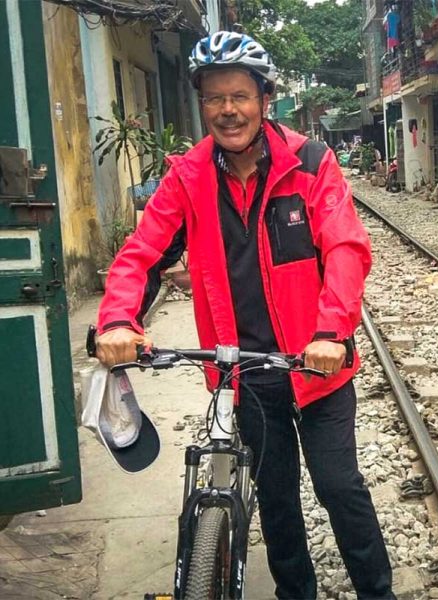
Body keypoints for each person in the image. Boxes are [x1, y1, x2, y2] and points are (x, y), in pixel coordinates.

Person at [93, 31, 395, 600]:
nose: (228, 110)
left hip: (317, 369)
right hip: (247, 374)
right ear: (201, 103)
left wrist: (331, 332)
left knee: (339, 488)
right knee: (276, 500)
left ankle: (378, 593)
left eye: (240, 96)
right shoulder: (187, 177)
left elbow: (346, 250)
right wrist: (116, 321)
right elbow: (142, 255)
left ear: (263, 99)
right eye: (214, 98)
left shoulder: (310, 162)